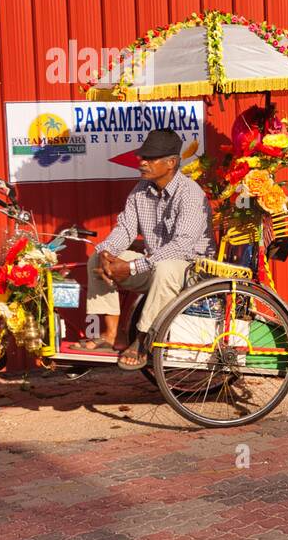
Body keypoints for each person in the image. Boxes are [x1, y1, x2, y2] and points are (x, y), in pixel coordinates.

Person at [83, 129, 216, 369]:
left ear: (171, 162)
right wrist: (106, 253)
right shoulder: (140, 190)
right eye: (142, 156)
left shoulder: (191, 193)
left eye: (151, 158)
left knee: (165, 268)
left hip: (192, 270)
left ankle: (143, 341)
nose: (142, 162)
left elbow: (182, 246)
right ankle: (112, 334)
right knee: (95, 259)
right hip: (155, 265)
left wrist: (133, 266)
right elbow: (125, 229)